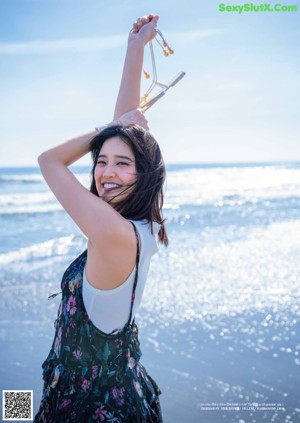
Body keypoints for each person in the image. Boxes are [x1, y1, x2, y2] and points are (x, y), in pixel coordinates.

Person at [34, 13, 167, 423]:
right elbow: (127, 132)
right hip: (106, 387)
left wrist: (111, 126)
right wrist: (135, 47)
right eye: (101, 161)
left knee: (8, 407)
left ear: (143, 173)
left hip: (92, 408)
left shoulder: (112, 233)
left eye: (122, 164)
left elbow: (49, 161)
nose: (106, 172)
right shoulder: (137, 224)